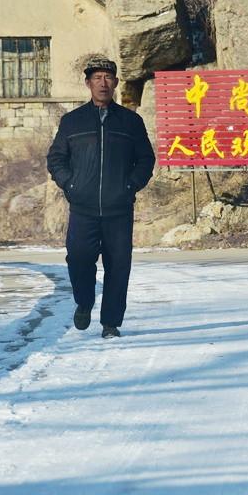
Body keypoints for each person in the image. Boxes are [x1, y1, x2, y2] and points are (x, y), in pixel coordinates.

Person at [46, 56, 155, 339]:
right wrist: (70, 185)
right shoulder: (72, 121)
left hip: (119, 209)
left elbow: (145, 159)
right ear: (88, 84)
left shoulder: (131, 122)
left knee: (118, 266)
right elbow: (56, 158)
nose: (103, 83)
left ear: (116, 83)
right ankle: (84, 301)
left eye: (108, 78)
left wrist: (130, 186)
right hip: (83, 208)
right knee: (78, 259)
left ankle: (111, 323)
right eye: (97, 78)